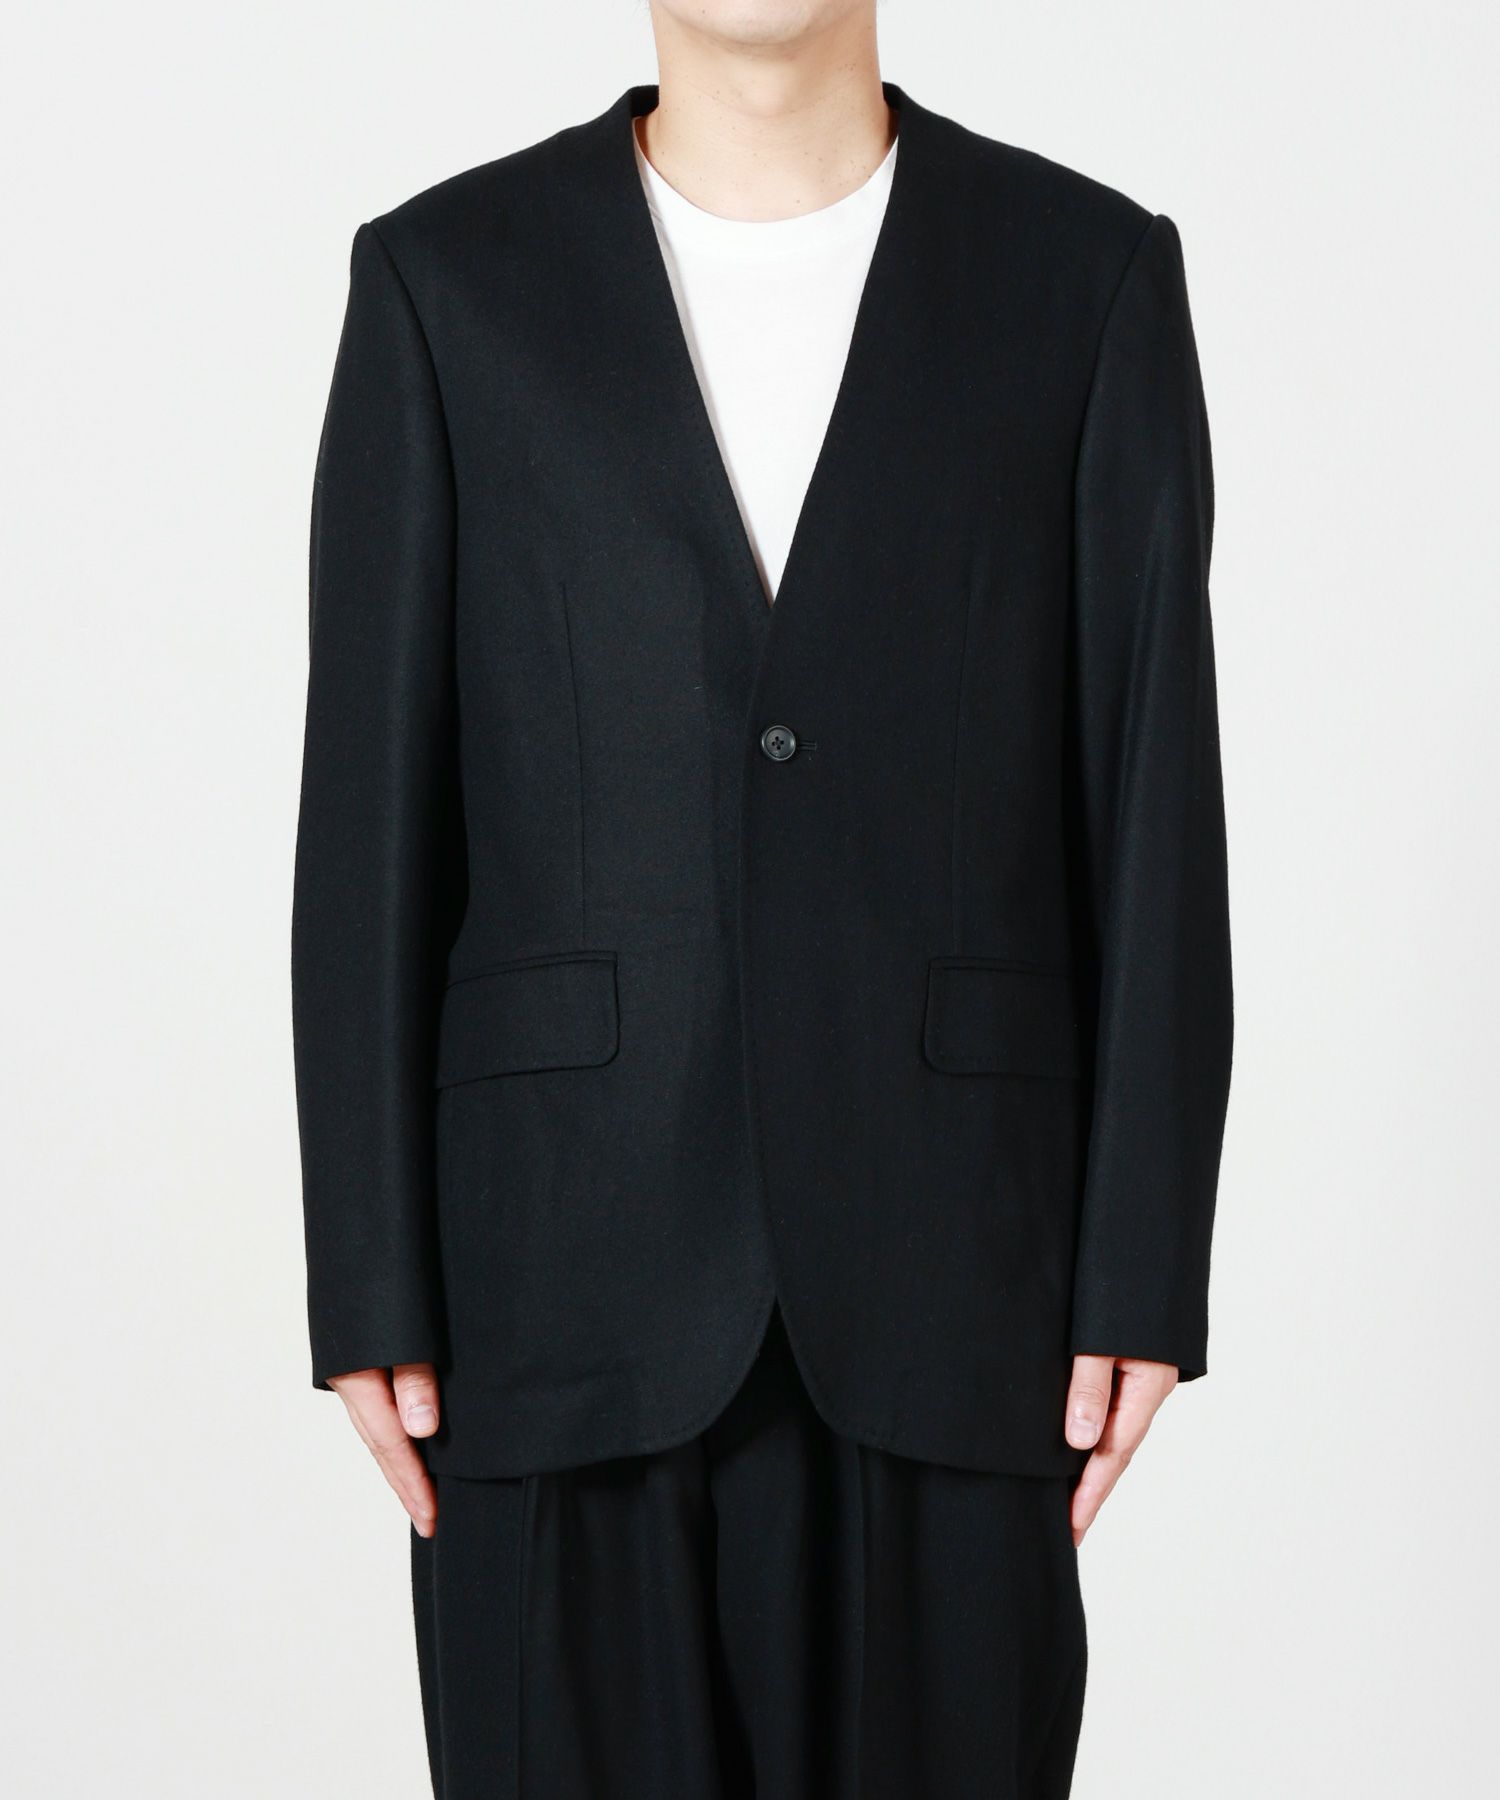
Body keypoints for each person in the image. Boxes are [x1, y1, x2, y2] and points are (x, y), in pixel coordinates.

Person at [291, 3, 1233, 1794]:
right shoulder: (445, 284)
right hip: (551, 1300)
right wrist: (367, 1273)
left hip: (963, 1287)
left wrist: (1141, 1262)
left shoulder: (1085, 278)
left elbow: (1152, 792)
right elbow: (369, 814)